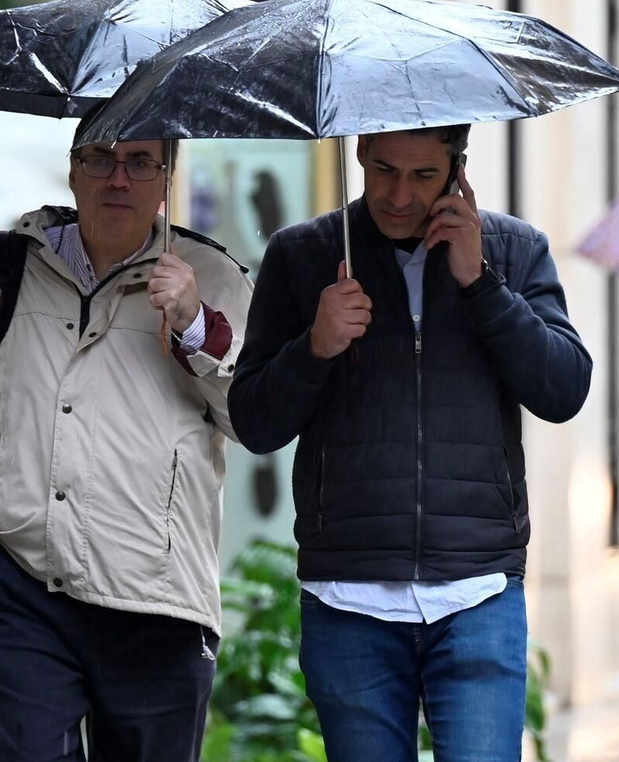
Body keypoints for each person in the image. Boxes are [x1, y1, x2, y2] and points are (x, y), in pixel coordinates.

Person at [228, 125, 591, 762]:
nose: (398, 194)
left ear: (457, 169)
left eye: (423, 176)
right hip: (348, 595)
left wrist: (481, 285)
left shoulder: (514, 249)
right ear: (361, 150)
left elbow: (563, 391)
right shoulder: (304, 254)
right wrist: (314, 347)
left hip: (477, 588)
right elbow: (254, 423)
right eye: (385, 170)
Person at [0, 138, 253, 762]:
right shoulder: (7, 271)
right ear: (73, 169)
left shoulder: (216, 277)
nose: (118, 179)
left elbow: (251, 416)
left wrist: (192, 321)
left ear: (167, 176)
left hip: (157, 598)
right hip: (20, 584)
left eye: (141, 162)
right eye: (100, 158)